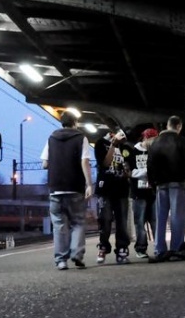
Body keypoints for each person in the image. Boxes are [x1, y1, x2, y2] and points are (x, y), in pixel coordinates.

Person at [40, 111, 93, 270]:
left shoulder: (51, 138)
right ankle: (77, 254)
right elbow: (84, 162)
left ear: (62, 122)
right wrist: (89, 184)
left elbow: (44, 164)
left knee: (59, 225)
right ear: (75, 122)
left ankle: (61, 261)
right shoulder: (81, 138)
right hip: (74, 187)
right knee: (78, 222)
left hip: (56, 188)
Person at [146, 115, 185, 261]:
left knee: (160, 218)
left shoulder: (155, 142)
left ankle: (159, 250)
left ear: (168, 125)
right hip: (178, 183)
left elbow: (150, 165)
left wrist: (153, 183)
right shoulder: (182, 141)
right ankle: (176, 250)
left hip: (160, 185)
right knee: (178, 217)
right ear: (179, 126)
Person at [94, 128, 134, 264]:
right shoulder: (101, 143)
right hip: (104, 188)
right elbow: (105, 163)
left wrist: (127, 172)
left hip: (122, 189)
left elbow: (130, 168)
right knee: (105, 220)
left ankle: (122, 249)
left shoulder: (126, 148)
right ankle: (103, 246)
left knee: (122, 221)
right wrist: (113, 145)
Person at [130, 128, 158, 258]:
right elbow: (131, 172)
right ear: (145, 138)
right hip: (138, 192)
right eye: (152, 140)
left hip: (152, 191)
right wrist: (147, 171)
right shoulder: (133, 151)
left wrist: (141, 173)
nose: (153, 143)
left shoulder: (154, 152)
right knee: (139, 221)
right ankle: (141, 248)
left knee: (155, 220)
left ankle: (159, 247)